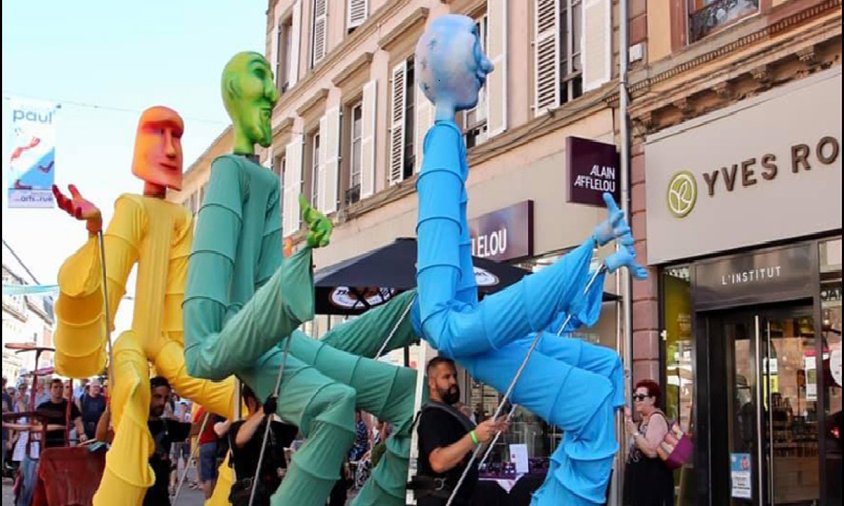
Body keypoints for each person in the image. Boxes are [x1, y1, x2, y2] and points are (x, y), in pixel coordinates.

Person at [183, 50, 422, 506]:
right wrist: (295, 271)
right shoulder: (226, 174)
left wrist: (302, 255)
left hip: (278, 339)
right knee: (335, 408)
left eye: (273, 78)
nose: (274, 91)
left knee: (410, 391)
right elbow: (203, 349)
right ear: (233, 93)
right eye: (260, 77)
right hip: (248, 341)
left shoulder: (268, 182)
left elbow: (270, 282)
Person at [52, 105, 239, 504]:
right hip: (134, 341)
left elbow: (189, 289)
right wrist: (96, 231)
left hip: (172, 346)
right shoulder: (131, 208)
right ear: (139, 144)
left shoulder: (181, 218)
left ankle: (229, 495)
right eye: (159, 134)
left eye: (177, 137)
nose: (171, 149)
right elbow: (109, 275)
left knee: (241, 398)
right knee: (134, 388)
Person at [412, 357, 509, 506]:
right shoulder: (432, 416)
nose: (453, 382)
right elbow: (438, 462)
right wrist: (474, 436)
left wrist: (488, 432)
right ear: (431, 383)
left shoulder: (450, 415)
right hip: (440, 499)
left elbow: (467, 454)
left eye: (454, 376)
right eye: (446, 377)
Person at [227, 384, 297, 506]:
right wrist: (263, 410)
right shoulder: (237, 427)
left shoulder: (274, 428)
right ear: (251, 401)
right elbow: (240, 439)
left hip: (275, 493)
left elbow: (298, 427)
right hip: (251, 495)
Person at [622, 380, 674, 506]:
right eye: (635, 397)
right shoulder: (642, 422)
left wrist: (635, 433)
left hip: (652, 483)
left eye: (641, 397)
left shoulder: (656, 418)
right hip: (640, 482)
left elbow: (651, 452)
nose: (637, 401)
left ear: (652, 399)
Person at [36, 378, 85, 448]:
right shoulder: (43, 407)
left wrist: (82, 433)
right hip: (47, 442)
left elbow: (78, 420)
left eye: (61, 387)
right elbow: (37, 423)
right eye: (55, 387)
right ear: (50, 390)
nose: (58, 390)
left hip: (65, 441)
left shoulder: (70, 405)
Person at [192, 405, 225, 499]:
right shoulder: (217, 409)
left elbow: (196, 425)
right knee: (214, 476)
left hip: (205, 444)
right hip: (216, 444)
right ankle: (214, 498)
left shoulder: (201, 410)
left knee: (207, 477)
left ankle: (208, 500)